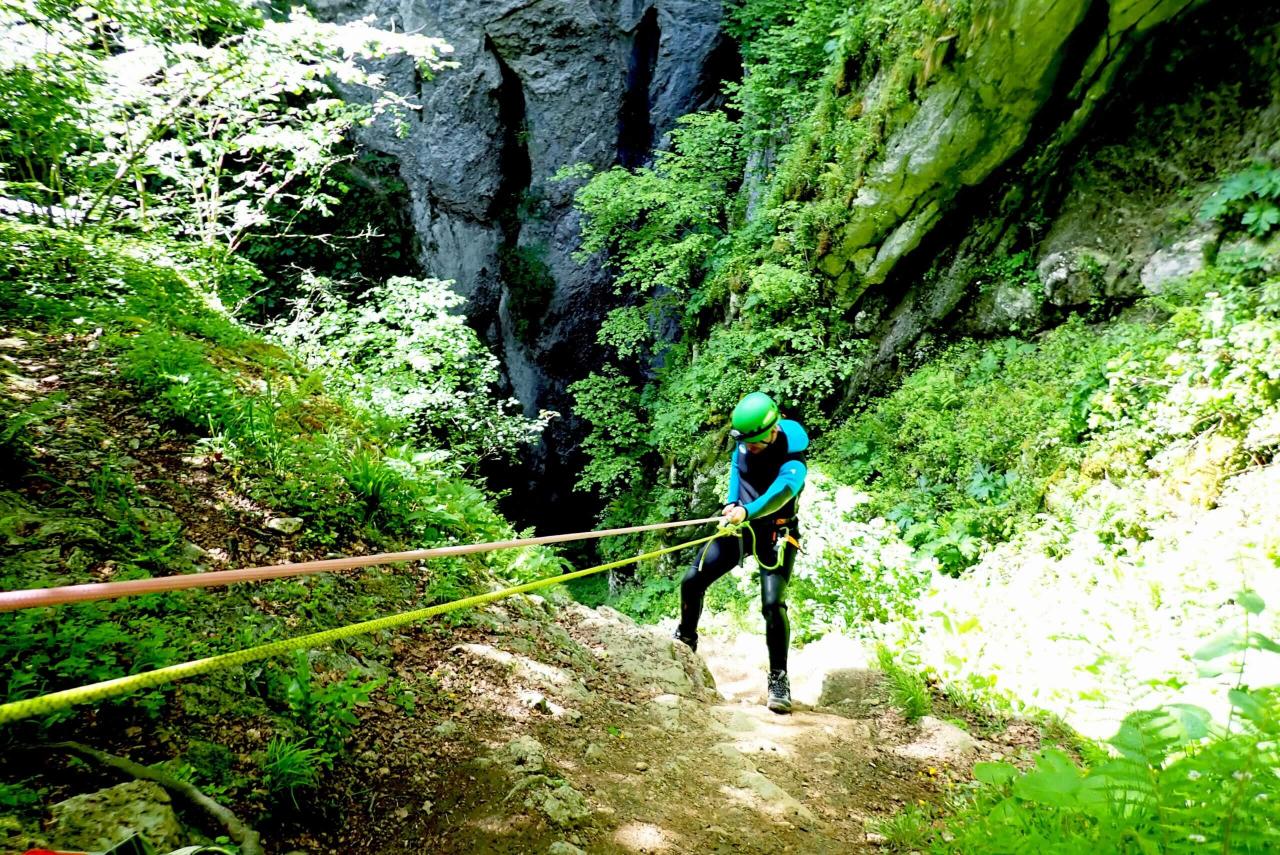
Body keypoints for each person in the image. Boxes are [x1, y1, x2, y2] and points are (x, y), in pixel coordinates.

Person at [673, 391, 808, 714]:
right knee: (693, 580)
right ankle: (685, 641)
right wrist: (732, 502)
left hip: (776, 529)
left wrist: (748, 511)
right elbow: (738, 466)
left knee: (773, 604)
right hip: (740, 525)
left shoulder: (794, 453)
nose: (750, 448)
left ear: (772, 431)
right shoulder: (747, 439)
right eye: (745, 443)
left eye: (756, 444)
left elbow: (780, 494)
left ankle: (778, 679)